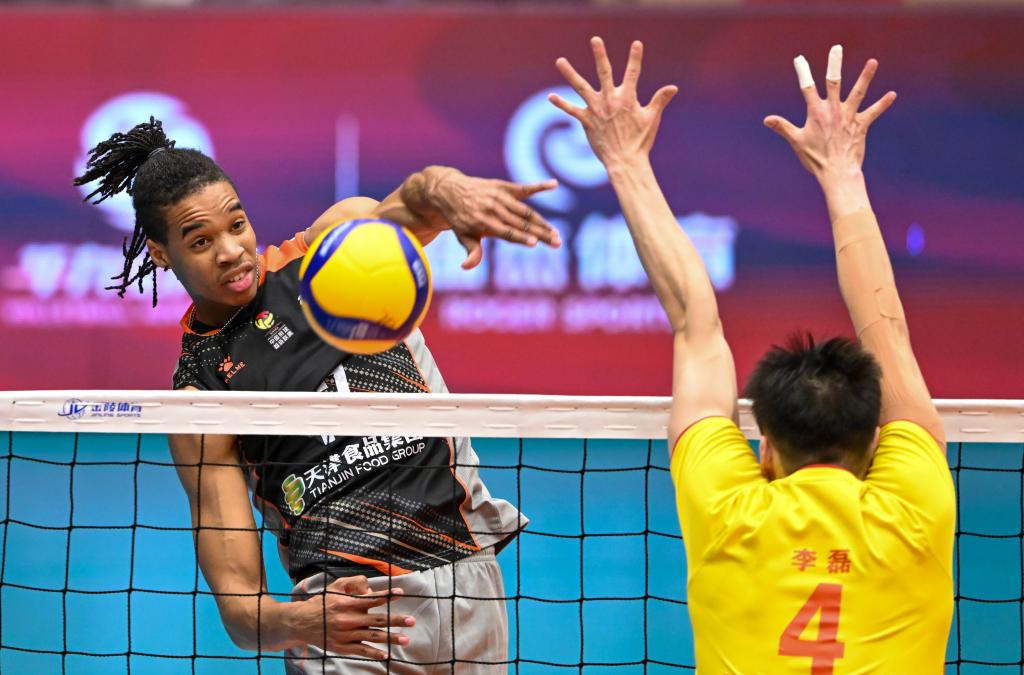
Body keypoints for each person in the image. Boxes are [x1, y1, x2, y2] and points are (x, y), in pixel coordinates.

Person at [74, 118, 562, 673]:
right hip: (345, 620)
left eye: (237, 224)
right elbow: (241, 610)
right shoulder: (200, 394)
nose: (231, 251)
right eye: (201, 241)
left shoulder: (329, 253)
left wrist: (446, 187)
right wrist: (302, 622)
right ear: (162, 254)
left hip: (463, 584)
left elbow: (416, 202)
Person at [550, 38, 953, 672]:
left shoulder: (728, 513)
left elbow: (696, 326)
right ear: (877, 444)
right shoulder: (917, 510)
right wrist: (844, 174)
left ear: (763, 450)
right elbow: (888, 333)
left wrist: (624, 161)